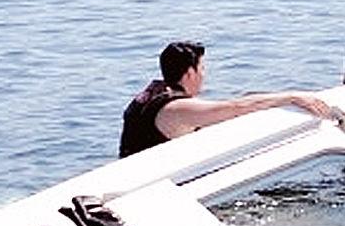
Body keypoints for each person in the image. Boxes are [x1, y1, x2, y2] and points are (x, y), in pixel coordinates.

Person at [119, 41, 332, 159]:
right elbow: (234, 107)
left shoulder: (153, 93)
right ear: (190, 73)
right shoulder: (176, 108)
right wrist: (291, 96)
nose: (204, 75)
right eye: (202, 68)